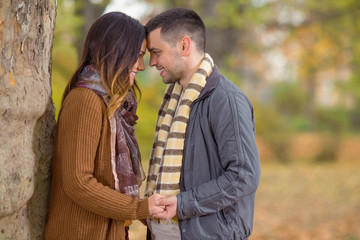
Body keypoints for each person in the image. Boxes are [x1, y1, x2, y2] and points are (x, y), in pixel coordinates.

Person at [44, 12, 166, 240]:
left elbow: (110, 181)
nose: (141, 66)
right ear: (117, 50)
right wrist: (138, 207)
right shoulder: (85, 100)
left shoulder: (113, 105)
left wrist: (146, 210)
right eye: (138, 55)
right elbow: (79, 183)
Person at [144, 7, 261, 240]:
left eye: (156, 52)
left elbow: (244, 175)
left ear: (184, 46)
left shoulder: (226, 99)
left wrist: (183, 204)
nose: (152, 62)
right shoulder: (174, 99)